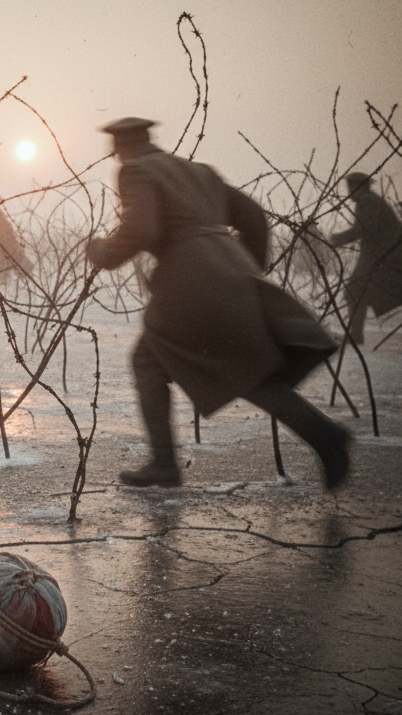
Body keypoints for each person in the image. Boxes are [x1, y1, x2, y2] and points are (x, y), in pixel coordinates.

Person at [87, 118, 349, 489]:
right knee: (237, 368)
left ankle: (164, 464)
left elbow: (141, 230)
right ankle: (325, 436)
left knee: (151, 362)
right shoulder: (199, 171)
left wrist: (101, 252)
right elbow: (254, 218)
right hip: (229, 273)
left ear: (122, 148)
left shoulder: (135, 171)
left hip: (189, 282)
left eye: (116, 152)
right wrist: (243, 271)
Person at [330, 173, 402, 347]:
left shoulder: (367, 202)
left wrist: (338, 239)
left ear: (360, 187)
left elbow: (363, 229)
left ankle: (356, 335)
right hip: (391, 258)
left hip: (385, 259)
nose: (348, 192)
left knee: (355, 291)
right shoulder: (372, 201)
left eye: (350, 188)